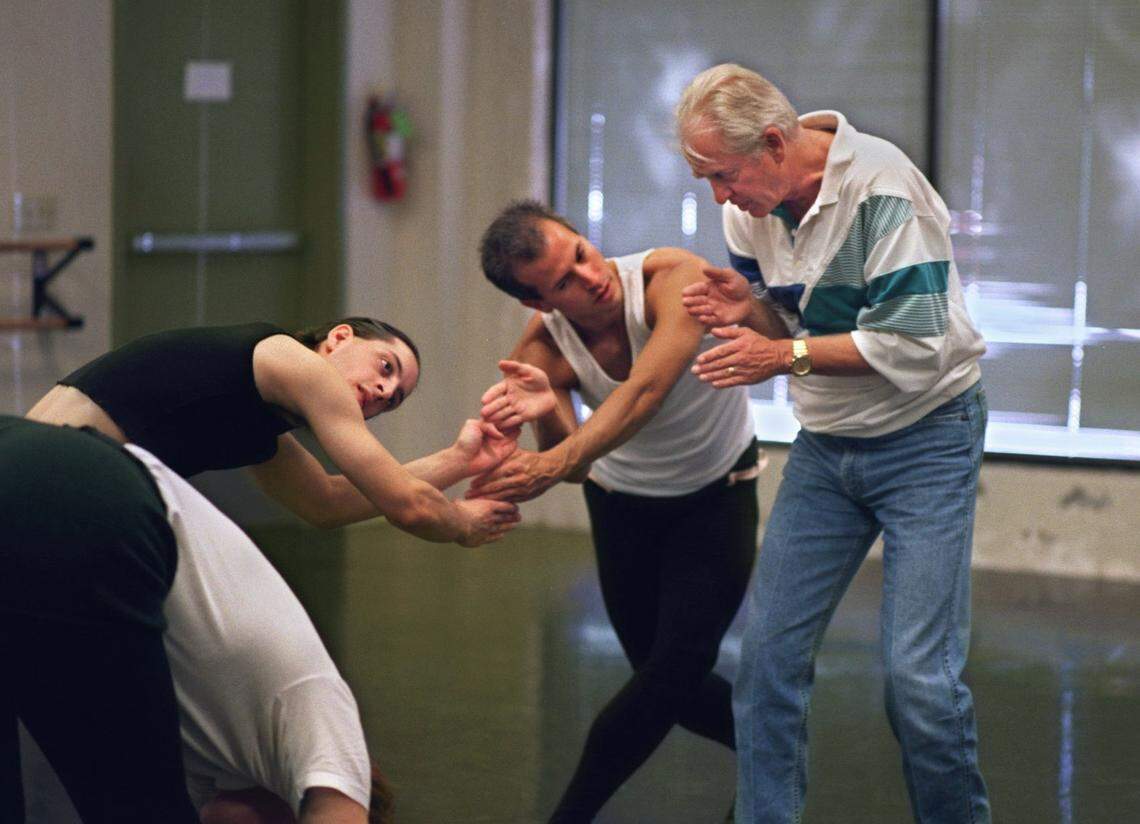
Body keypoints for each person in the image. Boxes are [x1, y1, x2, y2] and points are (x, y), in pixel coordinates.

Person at [11, 317, 519, 821]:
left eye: (394, 398)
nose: (384, 391)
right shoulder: (294, 362)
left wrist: (460, 460)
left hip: (32, 499)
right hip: (67, 500)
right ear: (338, 336)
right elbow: (409, 506)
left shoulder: (259, 400)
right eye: (385, 367)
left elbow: (326, 502)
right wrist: (462, 525)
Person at [674, 63, 990, 823]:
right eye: (703, 179)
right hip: (828, 448)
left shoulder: (883, 193)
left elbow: (915, 346)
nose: (717, 197)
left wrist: (776, 356)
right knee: (766, 668)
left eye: (722, 175)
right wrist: (747, 311)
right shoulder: (748, 213)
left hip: (927, 440)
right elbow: (793, 326)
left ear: (775, 144)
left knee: (920, 683)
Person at [471, 200, 763, 822]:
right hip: (623, 508)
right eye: (563, 282)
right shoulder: (543, 349)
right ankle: (775, 744)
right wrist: (546, 409)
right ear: (539, 304)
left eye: (580, 253)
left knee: (675, 669)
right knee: (664, 682)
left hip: (716, 496)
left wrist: (551, 465)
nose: (589, 275)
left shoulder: (671, 279)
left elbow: (646, 392)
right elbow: (569, 461)